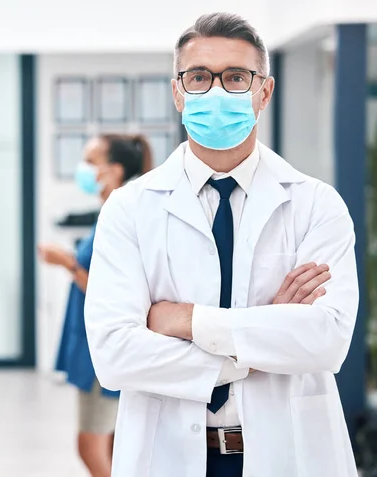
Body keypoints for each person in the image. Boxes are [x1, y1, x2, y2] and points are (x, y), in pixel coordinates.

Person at [84, 13, 359, 477]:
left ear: (263, 92)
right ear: (178, 92)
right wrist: (259, 343)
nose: (215, 91)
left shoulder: (315, 204)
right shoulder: (130, 208)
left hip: (289, 453)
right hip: (166, 453)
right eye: (198, 77)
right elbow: (114, 355)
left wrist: (186, 320)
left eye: (235, 77)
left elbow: (326, 342)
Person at [39, 134, 153, 477]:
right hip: (97, 341)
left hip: (106, 346)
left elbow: (114, 291)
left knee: (90, 444)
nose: (83, 169)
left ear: (114, 170)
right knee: (116, 443)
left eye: (91, 161)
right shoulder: (111, 211)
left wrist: (68, 264)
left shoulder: (123, 215)